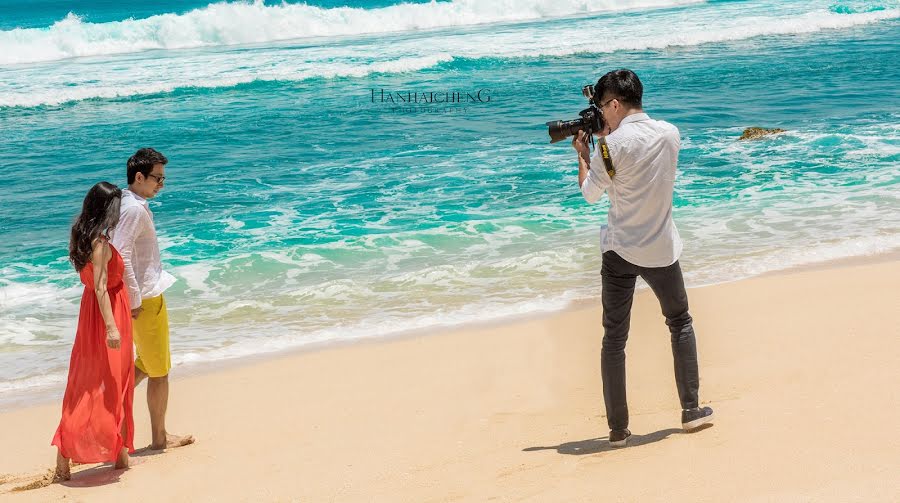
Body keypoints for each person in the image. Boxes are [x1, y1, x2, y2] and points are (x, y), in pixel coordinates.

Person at [572, 69, 714, 448]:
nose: (601, 113)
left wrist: (585, 155)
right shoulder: (670, 133)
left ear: (615, 104)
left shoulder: (607, 148)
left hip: (619, 251)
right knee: (679, 322)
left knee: (614, 340)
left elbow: (590, 194)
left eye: (602, 106)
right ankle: (691, 411)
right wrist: (607, 140)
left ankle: (618, 430)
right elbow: (644, 165)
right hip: (661, 249)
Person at [111, 148, 193, 451]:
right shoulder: (134, 209)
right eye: (157, 178)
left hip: (141, 296)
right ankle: (160, 438)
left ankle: (108, 405)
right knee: (159, 371)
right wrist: (134, 299)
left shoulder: (124, 202)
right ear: (139, 176)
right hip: (145, 297)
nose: (161, 184)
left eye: (163, 179)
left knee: (146, 362)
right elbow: (123, 255)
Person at [52, 182, 135, 480]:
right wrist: (111, 328)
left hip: (92, 314)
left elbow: (90, 285)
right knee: (107, 384)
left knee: (100, 383)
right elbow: (101, 287)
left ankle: (119, 451)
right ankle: (74, 455)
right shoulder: (99, 244)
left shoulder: (82, 236)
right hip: (107, 314)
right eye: (116, 207)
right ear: (107, 210)